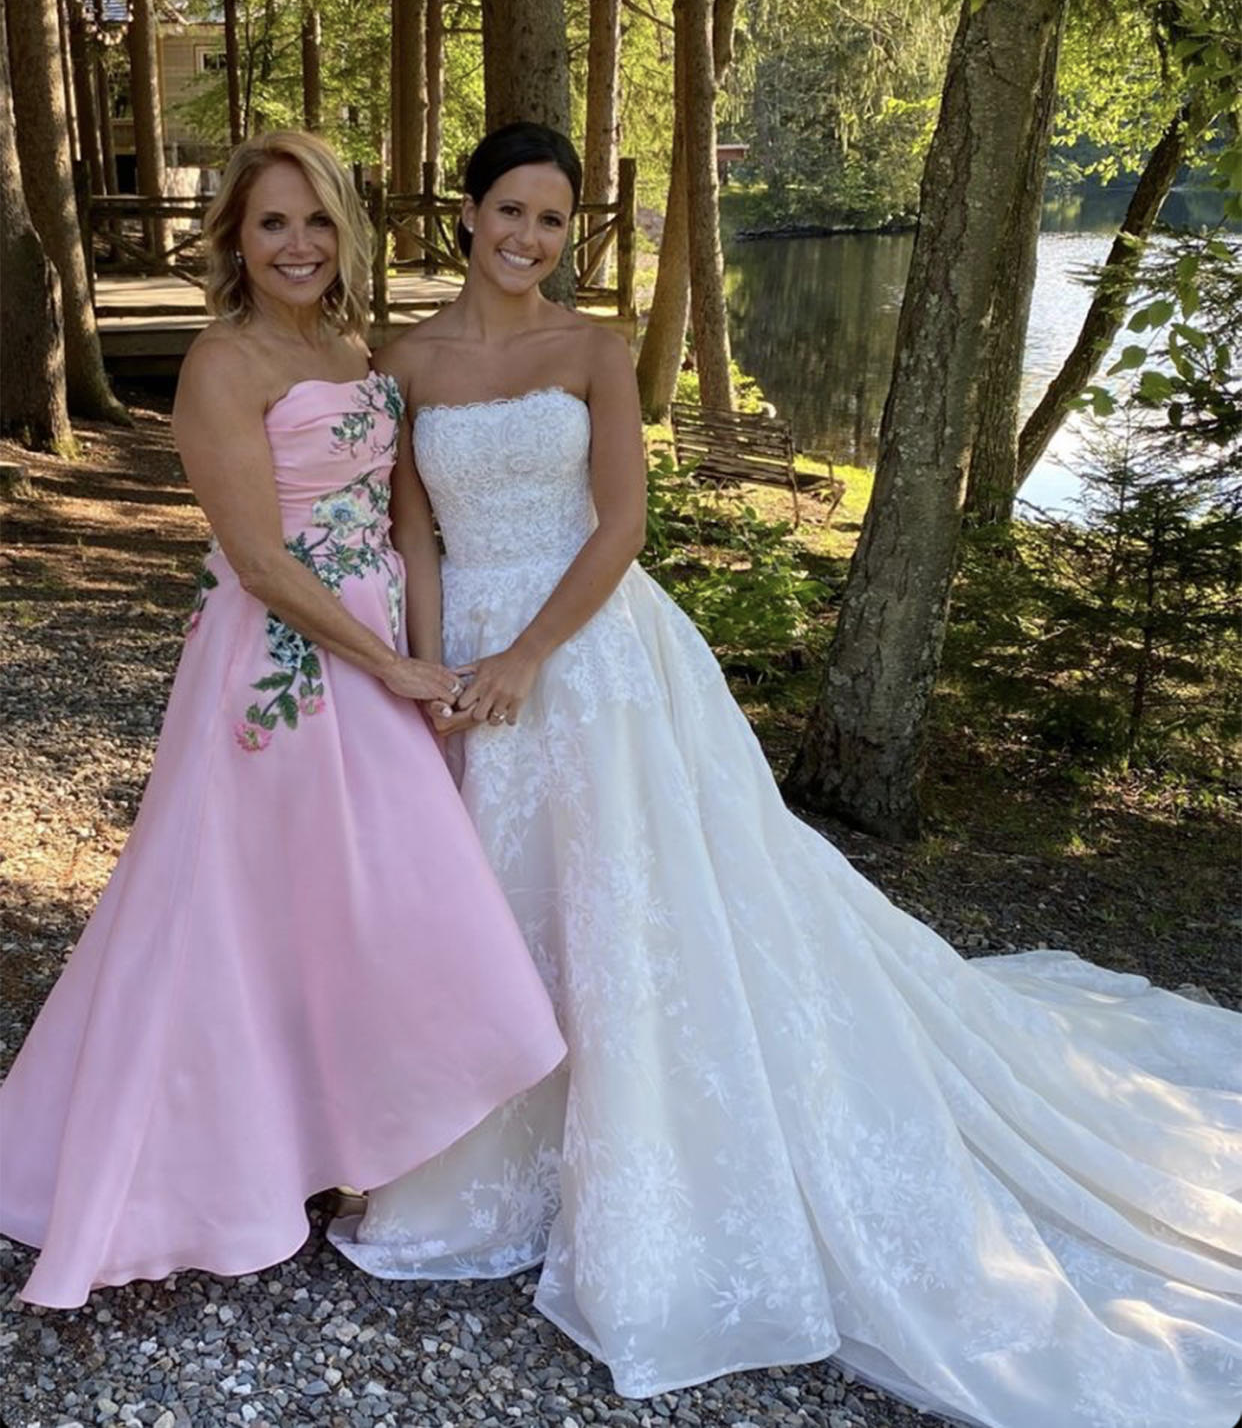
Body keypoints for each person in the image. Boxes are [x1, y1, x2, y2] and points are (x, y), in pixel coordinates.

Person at [333, 121, 1242, 1428]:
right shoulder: (406, 361)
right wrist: (431, 679)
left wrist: (530, 652)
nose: (527, 238)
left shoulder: (589, 350)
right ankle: (489, 1169)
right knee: (492, 904)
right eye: (508, 212)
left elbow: (625, 525)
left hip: (592, 656)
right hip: (467, 657)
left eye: (551, 220)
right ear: (463, 213)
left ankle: (638, 1175)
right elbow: (412, 534)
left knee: (629, 912)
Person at [0, 129, 565, 1310]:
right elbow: (258, 557)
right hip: (283, 662)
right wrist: (391, 667)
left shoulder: (354, 347)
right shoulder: (224, 360)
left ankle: (346, 1136)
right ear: (235, 241)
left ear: (344, 230)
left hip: (370, 642)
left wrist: (420, 648)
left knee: (357, 892)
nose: (297, 243)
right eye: (271, 224)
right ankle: (216, 1165)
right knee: (246, 902)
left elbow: (404, 517)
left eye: (315, 220)